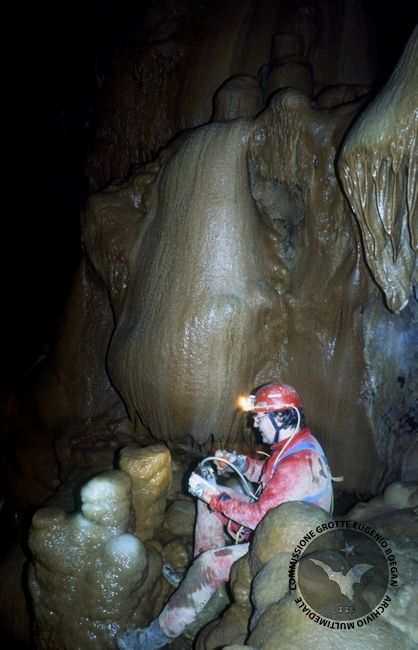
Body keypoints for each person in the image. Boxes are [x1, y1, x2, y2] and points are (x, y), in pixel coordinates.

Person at [116, 382, 332, 650]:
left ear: (280, 417)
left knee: (209, 560)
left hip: (287, 553)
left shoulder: (296, 465)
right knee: (210, 499)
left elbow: (258, 518)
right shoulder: (295, 445)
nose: (255, 425)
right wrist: (236, 463)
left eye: (260, 418)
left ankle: (155, 636)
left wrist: (215, 498)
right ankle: (198, 578)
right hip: (280, 527)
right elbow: (267, 474)